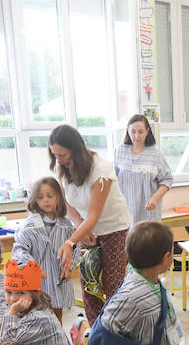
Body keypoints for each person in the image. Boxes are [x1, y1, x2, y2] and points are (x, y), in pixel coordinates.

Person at [49, 125, 132, 322]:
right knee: (89, 286)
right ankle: (97, 333)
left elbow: (94, 215)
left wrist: (70, 243)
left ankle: (115, 335)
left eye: (63, 155)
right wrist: (80, 226)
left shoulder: (100, 169)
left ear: (75, 150)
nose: (59, 160)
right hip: (88, 230)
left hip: (114, 229)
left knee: (113, 286)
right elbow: (65, 201)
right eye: (55, 155)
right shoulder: (63, 169)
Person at [9, 177, 75, 325]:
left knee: (58, 317)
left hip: (59, 278)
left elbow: (74, 248)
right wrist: (32, 266)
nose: (46, 200)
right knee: (41, 316)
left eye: (50, 196)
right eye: (40, 197)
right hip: (40, 281)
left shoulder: (65, 224)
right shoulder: (30, 225)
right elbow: (19, 249)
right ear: (34, 200)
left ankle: (58, 343)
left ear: (58, 196)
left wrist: (69, 267)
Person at [112, 114, 174, 226]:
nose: (136, 136)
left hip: (148, 212)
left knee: (147, 241)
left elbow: (167, 179)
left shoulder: (155, 153)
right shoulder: (120, 150)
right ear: (128, 131)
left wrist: (155, 199)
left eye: (140, 132)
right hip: (124, 211)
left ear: (147, 131)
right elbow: (112, 177)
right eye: (133, 132)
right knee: (128, 242)